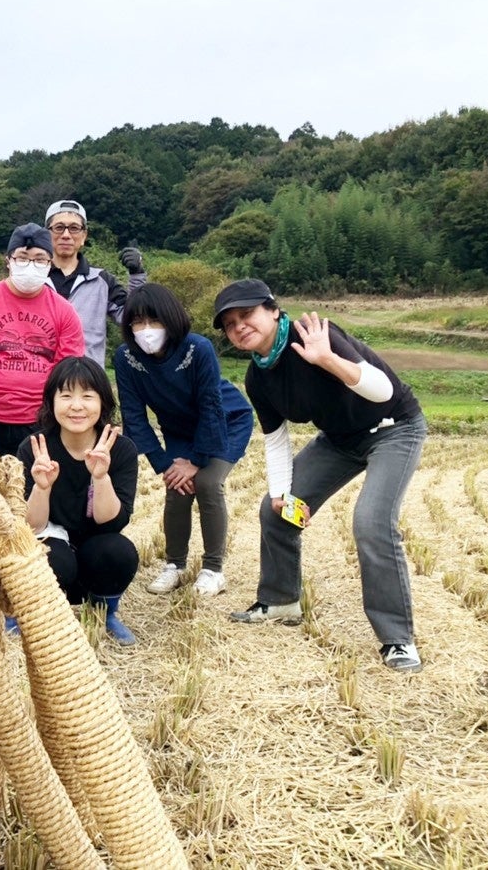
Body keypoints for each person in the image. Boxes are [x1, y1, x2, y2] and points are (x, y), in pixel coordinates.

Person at [213, 279, 427, 672]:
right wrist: (281, 493)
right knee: (274, 510)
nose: (239, 326)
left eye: (247, 315)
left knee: (371, 522)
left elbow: (382, 390)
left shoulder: (313, 334)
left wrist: (326, 359)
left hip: (394, 428)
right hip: (341, 441)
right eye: (229, 323)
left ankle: (397, 640)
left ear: (273, 310)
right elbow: (276, 440)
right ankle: (280, 600)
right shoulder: (258, 378)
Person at [115, 284, 254, 597]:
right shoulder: (126, 358)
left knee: (206, 483)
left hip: (225, 423)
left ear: (171, 320)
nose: (146, 330)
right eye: (138, 323)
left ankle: (213, 569)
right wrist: (165, 464)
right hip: (178, 430)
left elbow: (211, 407)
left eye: (154, 321)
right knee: (176, 487)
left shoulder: (197, 349)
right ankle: (174, 566)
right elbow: (134, 417)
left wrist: (196, 461)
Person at [17, 357, 141, 646]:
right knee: (52, 559)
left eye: (87, 396)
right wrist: (41, 487)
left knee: (119, 551)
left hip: (94, 546)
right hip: (52, 542)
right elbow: (30, 526)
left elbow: (112, 521)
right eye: (66, 395)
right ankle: (33, 615)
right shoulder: (35, 448)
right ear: (52, 401)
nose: (76, 406)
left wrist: (100, 477)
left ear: (102, 403)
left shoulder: (120, 449)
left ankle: (104, 612)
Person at [0, 222, 85, 459]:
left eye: (39, 260)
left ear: (50, 264)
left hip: (39, 420)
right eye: (23, 258)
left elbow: (68, 365)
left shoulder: (64, 311)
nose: (30, 265)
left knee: (34, 490)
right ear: (8, 260)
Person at [44, 198, 146, 367]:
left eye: (74, 228)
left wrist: (137, 274)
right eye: (59, 228)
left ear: (84, 236)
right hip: (37, 380)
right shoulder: (34, 279)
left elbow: (133, 316)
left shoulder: (101, 280)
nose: (66, 235)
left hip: (87, 379)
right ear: (46, 234)